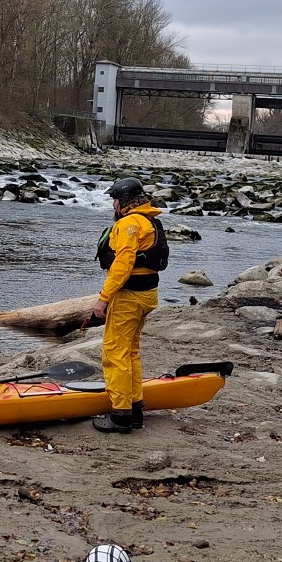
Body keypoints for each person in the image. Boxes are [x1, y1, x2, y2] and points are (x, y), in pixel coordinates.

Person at [89, 176, 168, 433]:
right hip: (148, 295)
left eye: (114, 199)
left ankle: (121, 415)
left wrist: (103, 299)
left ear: (124, 201)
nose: (112, 204)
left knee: (115, 352)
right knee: (131, 350)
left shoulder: (128, 224)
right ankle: (135, 407)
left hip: (129, 297)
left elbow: (121, 266)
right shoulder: (149, 220)